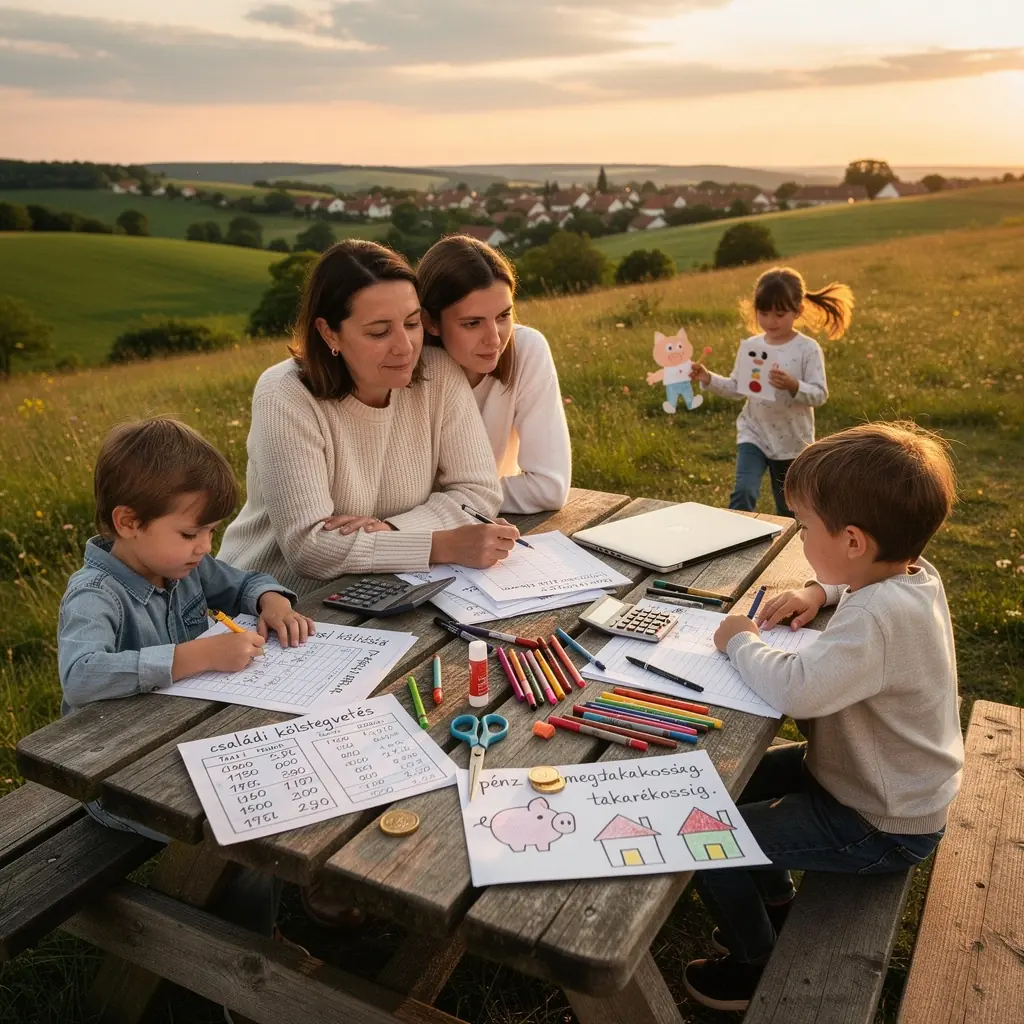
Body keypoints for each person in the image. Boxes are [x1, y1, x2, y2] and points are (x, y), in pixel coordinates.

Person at [683, 422, 963, 1012]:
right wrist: (820, 592)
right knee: (719, 788)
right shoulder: (914, 575)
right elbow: (860, 592)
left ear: (855, 541)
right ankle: (778, 903)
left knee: (704, 841)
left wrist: (739, 639)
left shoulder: (878, 621)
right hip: (867, 781)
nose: (800, 537)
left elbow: (798, 690)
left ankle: (752, 964)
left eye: (806, 528)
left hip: (879, 821)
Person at [57, 417, 314, 977]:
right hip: (115, 775)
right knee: (246, 839)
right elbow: (80, 674)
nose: (205, 548)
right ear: (128, 522)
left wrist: (269, 598)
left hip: (181, 743)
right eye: (190, 534)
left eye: (212, 532)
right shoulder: (95, 595)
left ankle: (262, 927)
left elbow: (240, 581)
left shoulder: (182, 565)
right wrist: (195, 656)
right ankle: (245, 970)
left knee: (276, 799)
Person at [219, 240, 510, 595]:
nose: (405, 347)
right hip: (274, 603)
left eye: (412, 323)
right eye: (379, 332)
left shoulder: (439, 374)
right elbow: (309, 550)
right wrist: (441, 544)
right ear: (329, 333)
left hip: (380, 589)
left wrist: (390, 531)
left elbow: (479, 491)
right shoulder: (285, 395)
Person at [417, 234, 571, 514]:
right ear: (430, 322)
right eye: (472, 323)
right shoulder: (409, 369)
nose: (494, 340)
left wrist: (463, 500)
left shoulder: (526, 350)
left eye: (503, 316)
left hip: (487, 528)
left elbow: (549, 488)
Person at [690, 267, 854, 517]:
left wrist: (793, 385)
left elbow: (820, 395)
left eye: (779, 314)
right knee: (743, 492)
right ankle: (733, 542)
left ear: (797, 310)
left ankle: (790, 552)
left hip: (792, 442)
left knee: (788, 509)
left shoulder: (807, 349)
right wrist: (707, 377)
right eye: (763, 313)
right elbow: (736, 389)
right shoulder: (752, 347)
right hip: (753, 433)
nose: (770, 321)